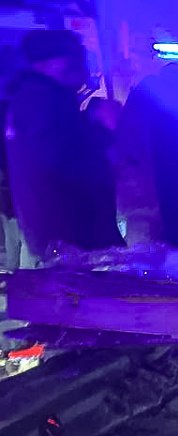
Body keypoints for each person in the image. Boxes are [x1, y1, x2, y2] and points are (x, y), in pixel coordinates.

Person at [4, 29, 121, 264]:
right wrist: (105, 130)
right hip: (72, 233)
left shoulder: (38, 97)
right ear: (44, 63)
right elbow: (62, 161)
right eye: (72, 56)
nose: (81, 64)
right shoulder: (42, 100)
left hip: (60, 230)